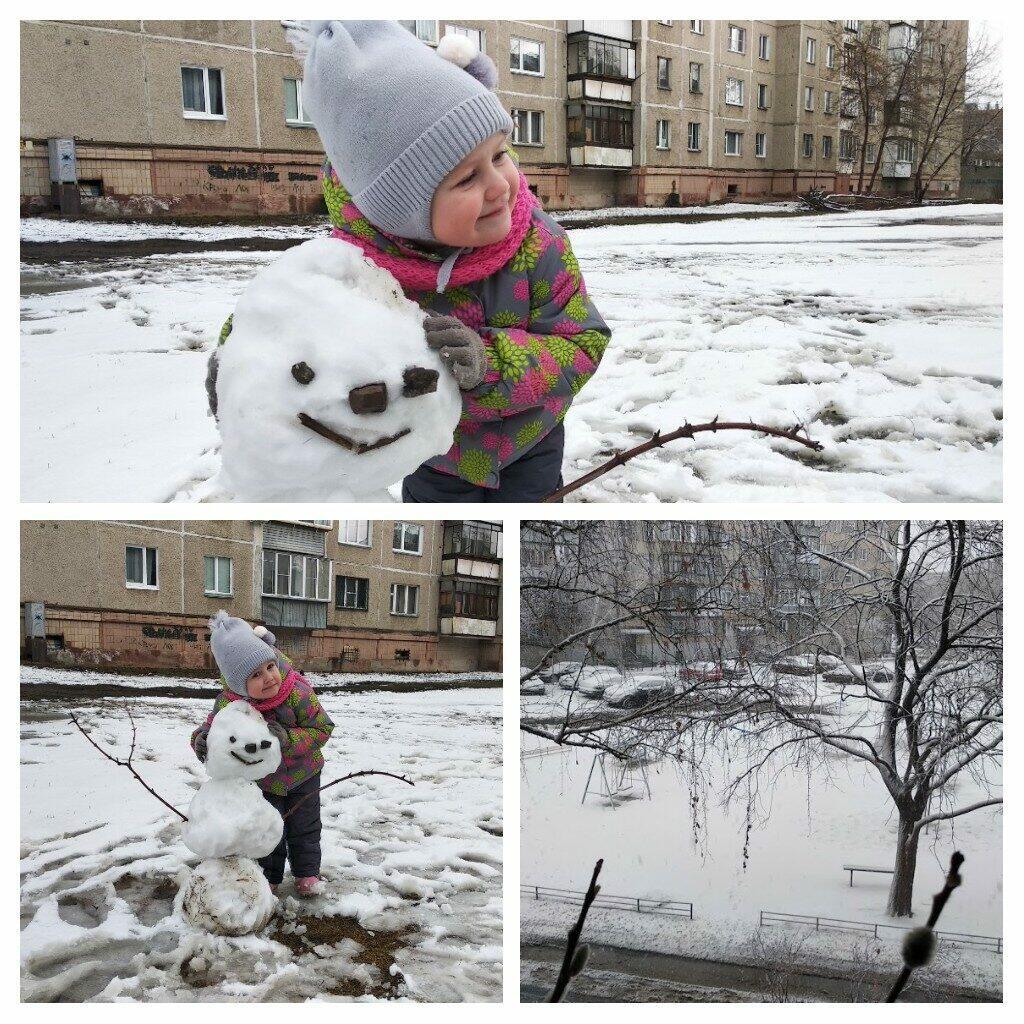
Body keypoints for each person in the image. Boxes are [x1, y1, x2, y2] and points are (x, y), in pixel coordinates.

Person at [296, 20, 612, 501]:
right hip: (432, 453)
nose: (501, 186)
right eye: (467, 179)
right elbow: (282, 320)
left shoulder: (539, 244)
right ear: (401, 209)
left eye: (500, 155)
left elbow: (583, 342)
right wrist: (238, 368)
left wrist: (492, 363)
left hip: (531, 444)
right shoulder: (356, 265)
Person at [191, 611, 334, 895]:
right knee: (265, 827)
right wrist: (202, 740)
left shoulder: (297, 693)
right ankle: (269, 877)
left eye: (270, 666)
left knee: (305, 827)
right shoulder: (230, 705)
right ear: (237, 683)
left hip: (303, 775)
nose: (269, 677)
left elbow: (322, 728)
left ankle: (307, 873)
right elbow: (212, 729)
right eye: (256, 675)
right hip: (262, 782)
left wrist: (289, 739)